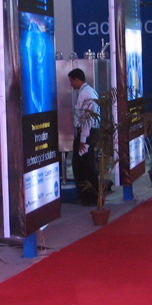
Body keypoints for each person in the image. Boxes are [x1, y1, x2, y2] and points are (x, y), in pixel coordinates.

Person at [68, 69, 100, 206]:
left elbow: (87, 119)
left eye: (71, 81)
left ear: (77, 80)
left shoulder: (85, 93)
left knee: (83, 166)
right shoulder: (89, 91)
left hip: (86, 134)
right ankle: (88, 196)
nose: (71, 84)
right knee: (85, 165)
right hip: (88, 133)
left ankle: (89, 196)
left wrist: (83, 140)